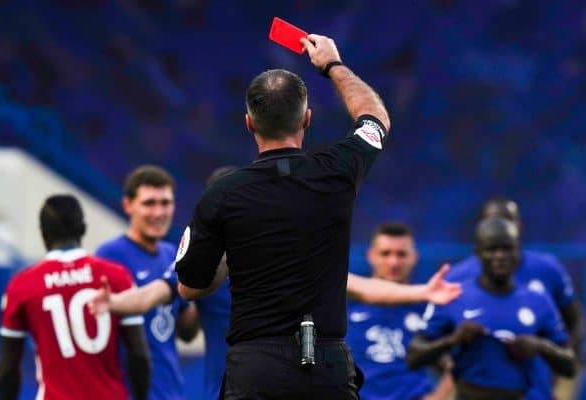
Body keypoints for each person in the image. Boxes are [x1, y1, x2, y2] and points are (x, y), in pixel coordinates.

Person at [88, 167, 462, 400]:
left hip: (284, 384)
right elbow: (155, 294)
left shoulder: (278, 252)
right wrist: (116, 304)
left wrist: (423, 292)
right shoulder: (199, 266)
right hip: (227, 386)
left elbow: (360, 286)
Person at [172, 32, 392, 399]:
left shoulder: (223, 195)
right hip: (326, 366)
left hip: (256, 368)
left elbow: (190, 286)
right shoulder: (337, 171)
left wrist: (232, 247)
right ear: (307, 118)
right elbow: (376, 119)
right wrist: (332, 65)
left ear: (249, 123)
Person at [0, 194, 150, 400]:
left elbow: (8, 370)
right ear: (83, 229)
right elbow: (139, 354)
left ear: (43, 234)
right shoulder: (116, 277)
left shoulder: (22, 286)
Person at [407, 218, 576, 400]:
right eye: (492, 249)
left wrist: (540, 346)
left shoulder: (538, 300)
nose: (500, 256)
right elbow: (415, 356)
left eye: (507, 248)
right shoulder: (454, 296)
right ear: (478, 253)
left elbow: (569, 364)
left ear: (518, 252)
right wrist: (453, 341)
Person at [447, 198, 582, 399]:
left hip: (538, 390)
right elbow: (434, 335)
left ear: (520, 226)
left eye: (508, 221)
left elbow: (574, 321)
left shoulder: (547, 269)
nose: (501, 228)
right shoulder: (457, 277)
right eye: (493, 221)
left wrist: (555, 363)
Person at [95, 165, 196, 400]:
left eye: (165, 203)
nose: (158, 212)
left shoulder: (173, 254)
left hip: (170, 391)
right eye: (149, 203)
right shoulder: (109, 256)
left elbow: (186, 331)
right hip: (127, 392)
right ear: (128, 205)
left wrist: (208, 290)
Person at [346, 222, 454, 400]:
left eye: (401, 254)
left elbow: (454, 362)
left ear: (414, 257)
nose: (393, 262)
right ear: (371, 256)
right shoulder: (347, 307)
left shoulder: (429, 309)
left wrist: (438, 397)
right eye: (385, 253)